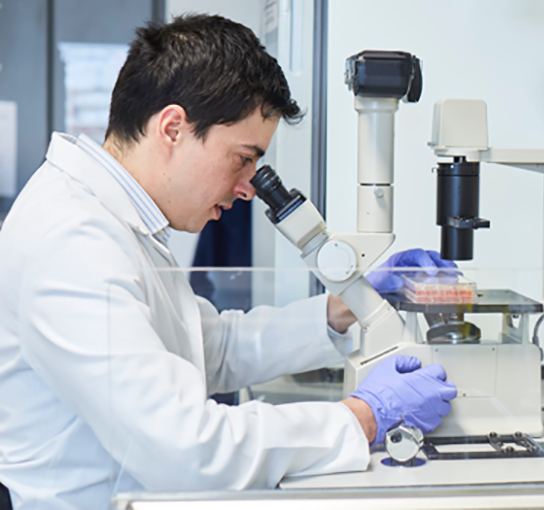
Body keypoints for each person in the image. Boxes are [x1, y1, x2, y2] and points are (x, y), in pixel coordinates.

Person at [0, 14, 457, 510]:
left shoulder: (119, 220)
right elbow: (187, 450)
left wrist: (343, 309)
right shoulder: (73, 240)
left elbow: (209, 348)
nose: (246, 187)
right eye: (243, 158)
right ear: (172, 127)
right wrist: (363, 416)